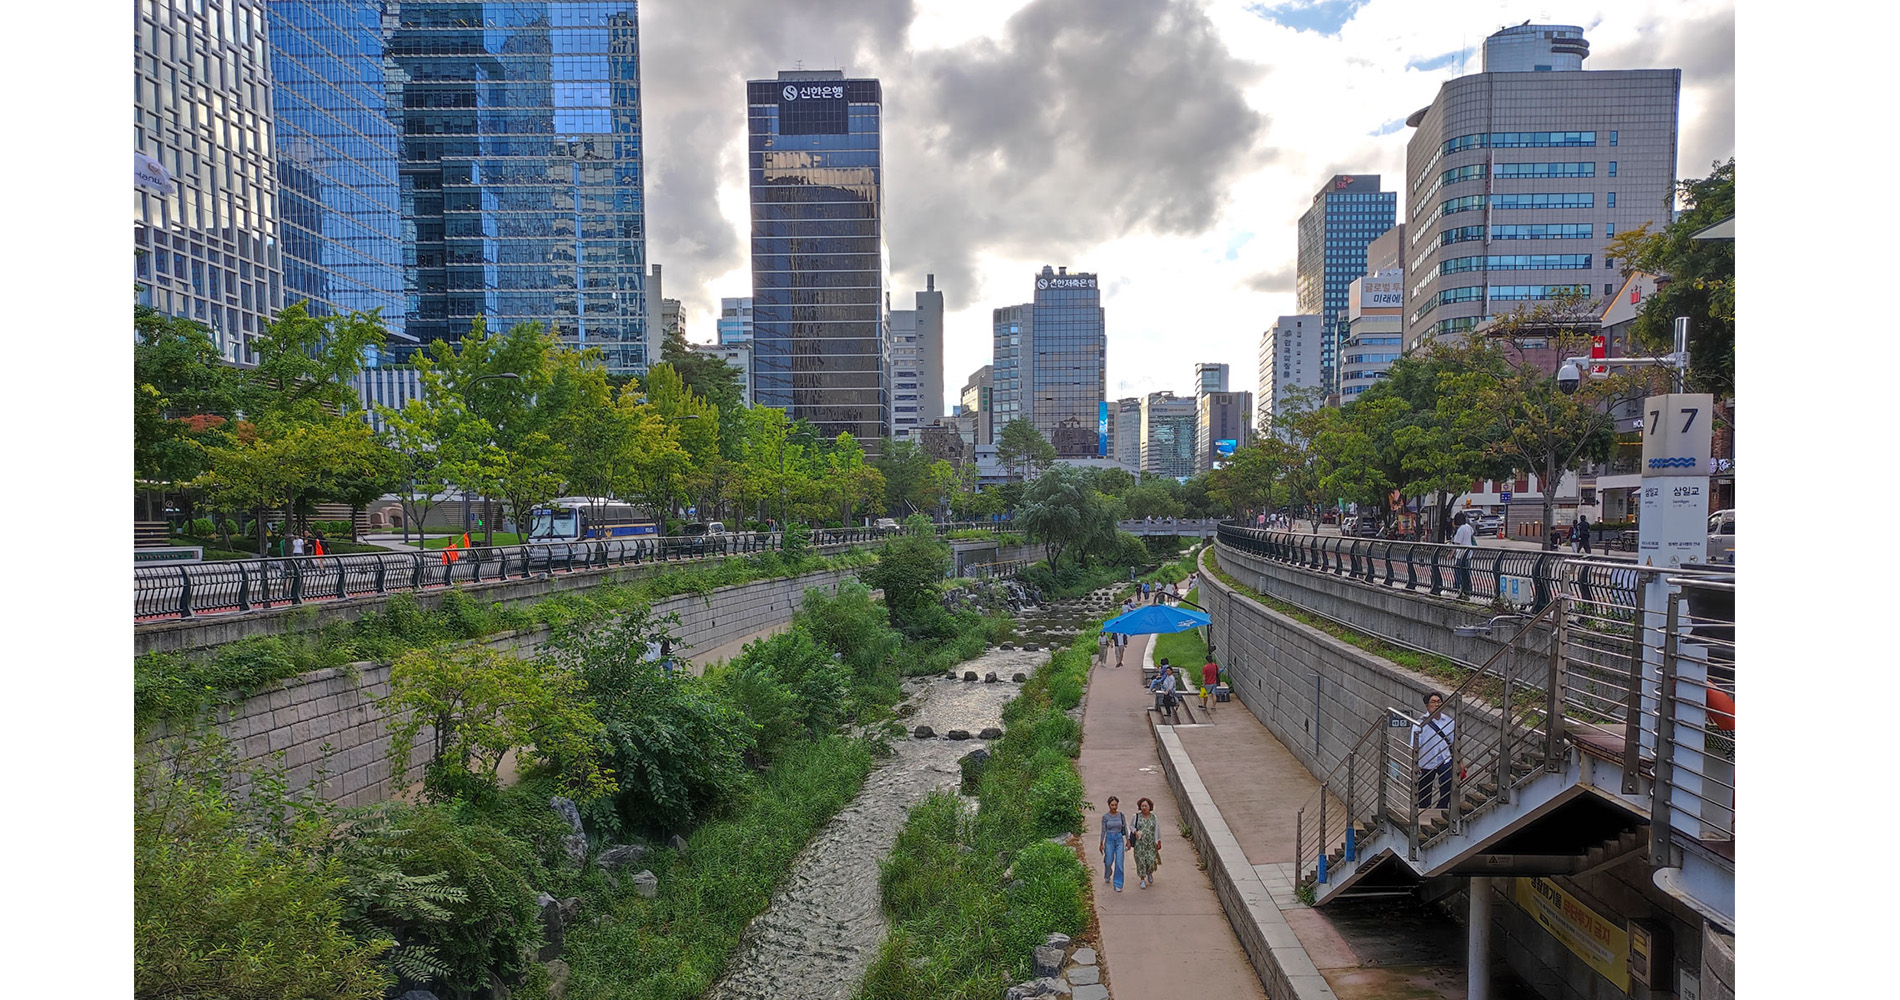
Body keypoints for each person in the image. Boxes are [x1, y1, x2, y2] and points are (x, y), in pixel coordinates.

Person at [1411, 691, 1456, 816]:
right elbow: (1414, 746)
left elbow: (1454, 744)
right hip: (1426, 761)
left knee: (1447, 783)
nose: (1437, 704)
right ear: (1427, 706)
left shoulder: (1449, 722)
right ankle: (1423, 813)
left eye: (1439, 701)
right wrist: (1415, 764)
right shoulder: (1420, 723)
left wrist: (1460, 762)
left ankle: (1442, 808)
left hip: (1444, 759)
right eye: (1433, 702)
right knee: (1424, 791)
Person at [1130, 797, 1163, 889]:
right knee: (1141, 862)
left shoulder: (1154, 817)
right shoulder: (1136, 816)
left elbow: (1157, 829)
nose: (1144, 807)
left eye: (1146, 806)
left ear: (1150, 807)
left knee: (1151, 861)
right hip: (1140, 844)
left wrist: (1158, 840)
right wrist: (1135, 832)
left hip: (1151, 843)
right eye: (1142, 806)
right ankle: (1142, 880)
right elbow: (1131, 826)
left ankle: (1149, 872)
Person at [1099, 796, 1128, 892]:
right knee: (1108, 861)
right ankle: (1108, 873)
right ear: (1109, 805)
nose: (1114, 807)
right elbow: (1103, 830)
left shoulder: (1121, 815)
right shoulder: (1105, 817)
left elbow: (1125, 827)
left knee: (1119, 862)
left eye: (1116, 805)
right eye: (1112, 805)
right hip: (1109, 840)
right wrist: (1101, 842)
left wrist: (1128, 840)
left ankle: (1118, 883)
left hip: (1119, 839)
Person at [1451, 513, 1476, 597]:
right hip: (1468, 553)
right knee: (1466, 572)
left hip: (1460, 554)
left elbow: (1457, 543)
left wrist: (1451, 554)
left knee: (1458, 572)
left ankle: (1457, 589)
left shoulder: (1460, 529)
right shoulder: (1468, 527)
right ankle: (1468, 589)